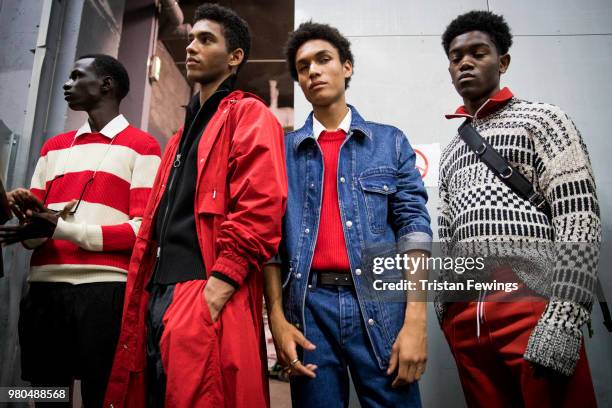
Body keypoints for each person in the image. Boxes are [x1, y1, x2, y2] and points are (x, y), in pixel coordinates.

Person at [104, 4, 287, 408]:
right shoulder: (178, 138)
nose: (191, 47)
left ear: (234, 57)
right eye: (191, 38)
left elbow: (261, 205)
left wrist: (221, 283)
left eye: (206, 40)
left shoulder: (249, 115)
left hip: (202, 288)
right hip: (158, 292)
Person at [264, 22, 431, 408]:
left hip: (382, 305)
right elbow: (269, 243)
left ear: (347, 67)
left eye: (323, 60)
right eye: (303, 67)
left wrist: (416, 323)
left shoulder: (389, 142)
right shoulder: (282, 152)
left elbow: (414, 229)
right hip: (308, 311)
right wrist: (277, 319)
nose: (314, 71)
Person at [437, 10, 600, 407]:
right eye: (457, 57)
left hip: (530, 298)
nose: (466, 63)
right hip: (467, 312)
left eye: (479, 52)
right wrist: (447, 311)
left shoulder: (544, 120)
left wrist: (563, 318)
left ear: (503, 61)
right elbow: (445, 232)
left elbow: (579, 219)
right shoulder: (451, 151)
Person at [0, 54, 161, 407]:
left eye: (77, 76)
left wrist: (62, 228)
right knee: (47, 394)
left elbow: (139, 234)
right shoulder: (54, 147)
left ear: (107, 85)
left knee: (100, 395)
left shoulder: (143, 146)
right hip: (45, 289)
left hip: (104, 292)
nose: (66, 83)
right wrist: (31, 223)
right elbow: (33, 239)